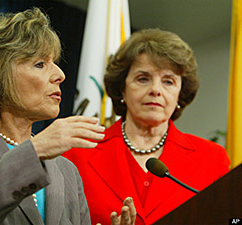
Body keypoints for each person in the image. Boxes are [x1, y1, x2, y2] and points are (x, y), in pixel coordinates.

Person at [0, 7, 136, 225]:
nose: (60, 75)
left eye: (55, 63)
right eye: (40, 64)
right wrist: (35, 151)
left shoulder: (67, 170)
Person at [64, 28, 230, 225]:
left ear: (180, 93)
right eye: (143, 78)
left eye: (168, 81)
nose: (155, 90)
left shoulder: (212, 160)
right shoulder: (77, 154)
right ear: (122, 89)